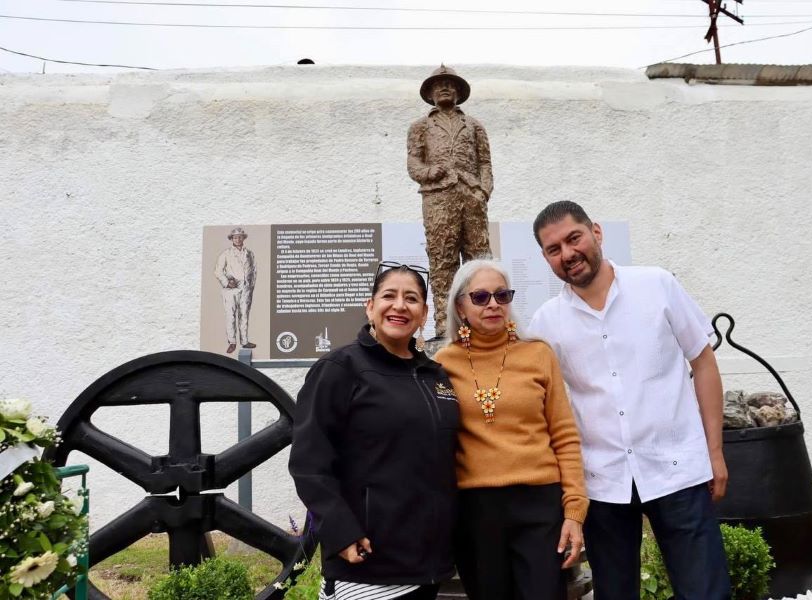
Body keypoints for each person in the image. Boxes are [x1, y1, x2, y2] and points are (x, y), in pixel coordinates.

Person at [529, 201, 730, 600]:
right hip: (603, 482)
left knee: (706, 592)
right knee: (615, 593)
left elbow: (703, 364)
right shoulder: (545, 323)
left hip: (677, 469)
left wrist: (715, 452)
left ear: (596, 233)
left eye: (574, 238)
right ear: (546, 258)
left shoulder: (657, 285)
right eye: (554, 249)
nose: (568, 254)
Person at [289, 262, 459, 600]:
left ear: (423, 314)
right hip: (367, 563)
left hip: (429, 565)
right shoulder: (340, 369)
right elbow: (309, 463)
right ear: (371, 306)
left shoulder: (436, 377)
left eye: (411, 299)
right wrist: (340, 531)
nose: (399, 306)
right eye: (389, 296)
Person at [434, 258, 587, 600]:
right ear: (460, 304)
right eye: (481, 297)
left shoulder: (538, 354)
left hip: (540, 504)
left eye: (502, 296)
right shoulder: (442, 365)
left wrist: (574, 512)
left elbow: (564, 436)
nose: (493, 304)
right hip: (475, 510)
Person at [407, 65, 493, 340]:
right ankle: (445, 323)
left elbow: (485, 164)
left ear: (458, 92)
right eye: (438, 84)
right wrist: (431, 173)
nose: (444, 88)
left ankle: (481, 319)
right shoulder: (420, 126)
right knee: (443, 261)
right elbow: (414, 163)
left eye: (450, 84)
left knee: (479, 259)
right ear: (430, 93)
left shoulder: (475, 126)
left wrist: (483, 192)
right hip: (438, 198)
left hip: (471, 196)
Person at [213, 227, 257, 354]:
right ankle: (232, 342)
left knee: (244, 315)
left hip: (246, 289)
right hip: (230, 291)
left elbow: (254, 271)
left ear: (243, 238)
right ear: (232, 239)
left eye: (240, 237)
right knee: (230, 316)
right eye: (235, 237)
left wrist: (251, 286)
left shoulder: (249, 253)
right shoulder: (226, 254)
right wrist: (227, 282)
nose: (238, 239)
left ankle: (244, 341)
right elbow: (218, 271)